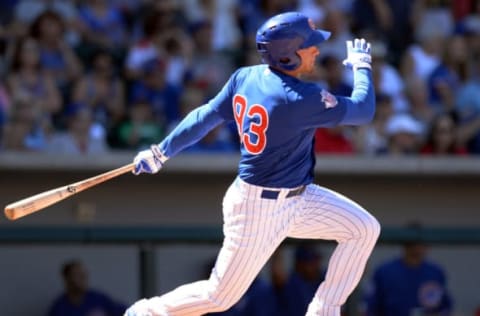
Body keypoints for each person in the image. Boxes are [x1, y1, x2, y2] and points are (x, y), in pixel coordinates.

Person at [125, 11, 380, 316]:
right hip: (260, 207)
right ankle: (146, 313)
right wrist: (362, 67)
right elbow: (363, 111)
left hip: (298, 196)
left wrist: (160, 152)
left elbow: (205, 116)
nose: (316, 49)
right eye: (308, 45)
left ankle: (323, 311)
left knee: (363, 228)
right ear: (288, 56)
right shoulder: (300, 98)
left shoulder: (245, 77)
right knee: (219, 297)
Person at [362, 225, 453, 316]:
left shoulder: (435, 272)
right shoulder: (385, 271)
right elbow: (370, 306)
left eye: (422, 244)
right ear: (406, 245)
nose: (419, 248)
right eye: (415, 244)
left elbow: (445, 306)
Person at [48, 259, 126, 316]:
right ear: (67, 278)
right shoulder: (59, 308)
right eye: (78, 275)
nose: (83, 279)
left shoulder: (98, 299)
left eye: (84, 275)